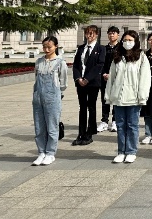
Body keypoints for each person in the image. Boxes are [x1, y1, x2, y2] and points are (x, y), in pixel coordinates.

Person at [105, 30, 151, 163]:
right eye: (125, 40)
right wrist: (109, 95)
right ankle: (121, 151)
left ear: (135, 42)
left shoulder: (141, 57)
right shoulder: (117, 56)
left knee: (132, 125)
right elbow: (111, 78)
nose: (127, 42)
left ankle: (131, 151)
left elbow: (145, 78)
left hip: (133, 97)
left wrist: (142, 96)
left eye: (130, 40)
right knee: (120, 125)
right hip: (118, 97)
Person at [32, 36, 68, 166]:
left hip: (53, 98)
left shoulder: (60, 62)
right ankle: (41, 152)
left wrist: (56, 95)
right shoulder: (39, 62)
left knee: (52, 127)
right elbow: (36, 79)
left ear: (56, 47)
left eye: (49, 47)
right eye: (44, 47)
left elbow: (63, 83)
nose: (46, 50)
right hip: (38, 98)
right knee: (39, 127)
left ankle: (50, 153)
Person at [72, 25, 106, 146]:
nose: (89, 36)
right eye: (87, 33)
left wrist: (87, 79)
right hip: (80, 82)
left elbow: (99, 65)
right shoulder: (81, 48)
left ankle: (89, 133)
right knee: (82, 107)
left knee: (91, 107)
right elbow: (76, 65)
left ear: (96, 34)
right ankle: (81, 133)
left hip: (92, 82)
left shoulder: (100, 49)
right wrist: (78, 78)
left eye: (91, 33)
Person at [98, 26, 120, 133]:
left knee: (116, 99)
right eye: (110, 33)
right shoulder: (104, 49)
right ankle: (104, 121)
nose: (111, 35)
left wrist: (113, 75)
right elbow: (100, 63)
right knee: (105, 99)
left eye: (114, 33)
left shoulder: (121, 48)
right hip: (105, 78)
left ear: (118, 35)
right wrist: (104, 74)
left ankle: (115, 120)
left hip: (117, 78)